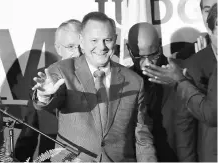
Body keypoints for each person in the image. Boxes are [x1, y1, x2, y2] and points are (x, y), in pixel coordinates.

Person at [32, 12, 156, 162]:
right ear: (82, 42)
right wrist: (44, 96)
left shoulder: (134, 80)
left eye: (107, 40)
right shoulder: (62, 70)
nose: (101, 47)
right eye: (94, 40)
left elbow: (142, 136)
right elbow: (52, 100)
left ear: (115, 40)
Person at [142, 3, 217, 162]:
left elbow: (211, 113)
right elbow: (185, 126)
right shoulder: (195, 64)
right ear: (210, 30)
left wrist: (180, 82)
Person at [14, 19, 82, 161]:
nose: (78, 52)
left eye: (82, 46)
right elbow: (29, 131)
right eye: (71, 46)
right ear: (58, 48)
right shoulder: (43, 79)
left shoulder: (102, 77)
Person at [127, 22, 178, 162]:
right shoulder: (123, 81)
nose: (147, 63)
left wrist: (179, 84)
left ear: (160, 46)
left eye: (153, 55)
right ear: (129, 50)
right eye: (140, 57)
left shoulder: (179, 73)